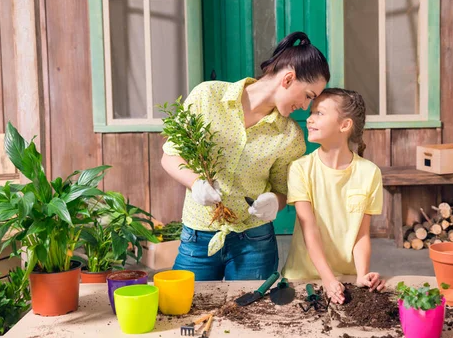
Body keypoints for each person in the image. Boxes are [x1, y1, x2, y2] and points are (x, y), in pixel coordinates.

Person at [161, 31, 330, 281]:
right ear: (288, 78)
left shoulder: (290, 136)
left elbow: (283, 191)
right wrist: (195, 183)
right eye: (308, 96)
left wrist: (275, 201)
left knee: (253, 317)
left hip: (255, 242)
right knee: (187, 312)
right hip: (198, 236)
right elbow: (170, 156)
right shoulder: (208, 97)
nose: (306, 107)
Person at [281, 88, 386, 303]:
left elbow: (361, 234)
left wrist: (361, 275)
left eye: (319, 113)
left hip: (345, 279)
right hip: (302, 279)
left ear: (345, 125)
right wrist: (327, 280)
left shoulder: (369, 173)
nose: (309, 119)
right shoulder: (300, 169)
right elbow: (308, 228)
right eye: (311, 113)